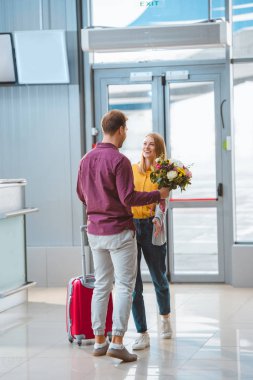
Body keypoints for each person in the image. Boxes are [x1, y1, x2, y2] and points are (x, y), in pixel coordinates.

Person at [76, 110, 170, 362]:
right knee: (126, 286)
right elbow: (128, 197)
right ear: (120, 130)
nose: (126, 133)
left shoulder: (86, 159)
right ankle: (117, 341)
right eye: (126, 129)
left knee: (102, 285)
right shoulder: (119, 161)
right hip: (119, 232)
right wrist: (156, 194)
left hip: (95, 232)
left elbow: (81, 195)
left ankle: (99, 340)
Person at [131, 132, 172, 351]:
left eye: (152, 144)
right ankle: (141, 332)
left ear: (158, 149)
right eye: (145, 143)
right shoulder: (131, 170)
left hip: (153, 227)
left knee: (159, 277)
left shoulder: (164, 173)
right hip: (131, 227)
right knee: (133, 283)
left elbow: (163, 201)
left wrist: (157, 218)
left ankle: (164, 318)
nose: (147, 147)